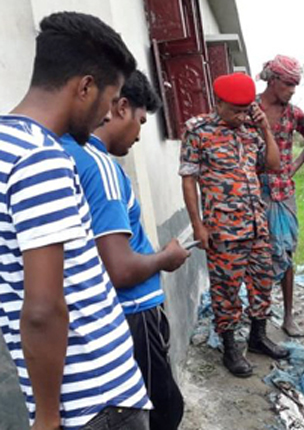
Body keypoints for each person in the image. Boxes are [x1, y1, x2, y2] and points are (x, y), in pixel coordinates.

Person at [0, 11, 152, 430]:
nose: (108, 115)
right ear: (85, 86)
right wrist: (48, 419)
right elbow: (43, 307)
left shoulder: (7, 146)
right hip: (95, 400)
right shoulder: (41, 159)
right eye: (110, 98)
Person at [60, 71, 190, 430]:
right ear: (120, 107)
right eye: (141, 122)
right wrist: (167, 257)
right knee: (162, 412)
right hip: (132, 310)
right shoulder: (99, 167)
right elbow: (118, 268)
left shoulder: (59, 153)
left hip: (95, 319)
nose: (138, 135)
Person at [179, 72, 289, 378]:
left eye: (245, 110)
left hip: (256, 226)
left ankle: (258, 336)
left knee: (263, 281)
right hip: (223, 229)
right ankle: (230, 347)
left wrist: (265, 128)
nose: (240, 116)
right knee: (226, 290)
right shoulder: (198, 130)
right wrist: (197, 224)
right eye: (234, 110)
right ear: (219, 103)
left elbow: (274, 164)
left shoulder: (251, 132)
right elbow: (188, 180)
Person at [256, 55, 304, 337]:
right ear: (273, 79)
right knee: (259, 255)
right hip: (253, 192)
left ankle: (289, 315)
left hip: (283, 193)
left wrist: (294, 166)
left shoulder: (295, 114)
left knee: (286, 253)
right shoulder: (250, 108)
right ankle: (259, 315)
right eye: (289, 84)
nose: (292, 90)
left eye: (296, 85)